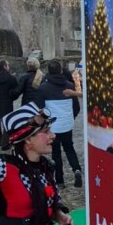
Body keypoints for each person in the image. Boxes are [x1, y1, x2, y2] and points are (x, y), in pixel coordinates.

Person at [38, 59, 82, 188]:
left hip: (53, 126)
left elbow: (41, 108)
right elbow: (76, 107)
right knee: (69, 148)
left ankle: (60, 180)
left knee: (56, 152)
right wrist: (70, 117)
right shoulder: (69, 86)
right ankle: (76, 169)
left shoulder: (43, 88)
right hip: (67, 123)